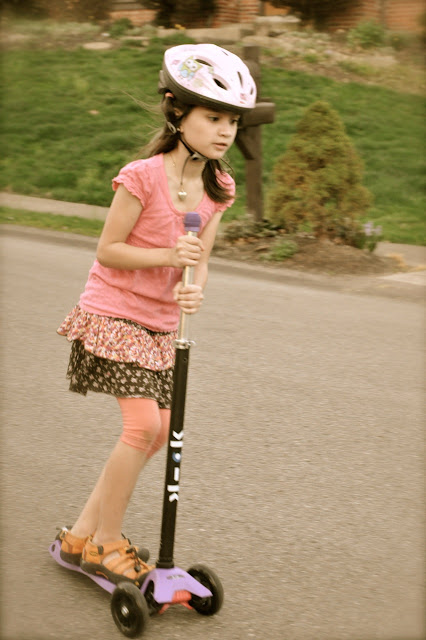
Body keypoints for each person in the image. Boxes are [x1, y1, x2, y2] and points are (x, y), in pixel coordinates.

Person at [56, 43, 256, 587]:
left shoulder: (218, 188)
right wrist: (169, 257)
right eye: (213, 117)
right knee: (143, 425)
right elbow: (109, 249)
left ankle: (79, 534)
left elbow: (201, 263)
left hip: (161, 325)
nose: (224, 131)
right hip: (113, 313)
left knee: (160, 428)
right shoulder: (141, 177)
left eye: (232, 121)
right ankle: (107, 544)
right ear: (177, 111)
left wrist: (195, 289)